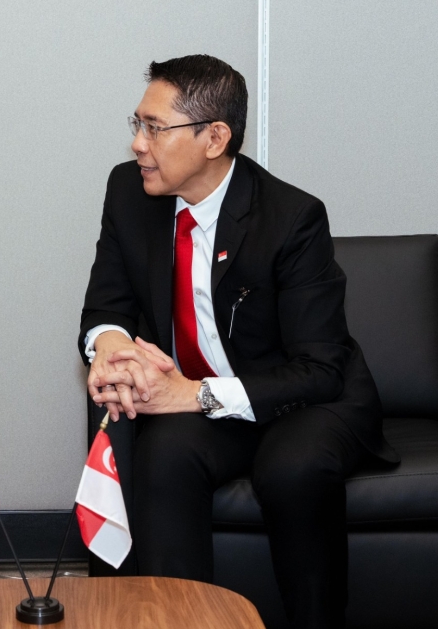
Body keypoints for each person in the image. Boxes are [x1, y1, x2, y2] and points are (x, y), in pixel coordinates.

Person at [79, 54, 396, 629]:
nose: (137, 144)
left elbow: (319, 369)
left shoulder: (292, 218)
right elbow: (106, 306)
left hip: (307, 402)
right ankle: (182, 621)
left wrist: (194, 395)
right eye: (137, 124)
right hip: (214, 406)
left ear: (214, 138)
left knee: (290, 470)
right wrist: (108, 348)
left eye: (155, 128)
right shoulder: (128, 192)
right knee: (165, 453)